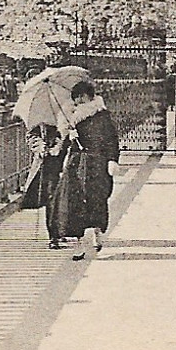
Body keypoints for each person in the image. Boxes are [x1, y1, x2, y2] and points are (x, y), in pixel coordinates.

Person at [55, 80, 121, 259]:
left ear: (85, 97)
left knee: (97, 200)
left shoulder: (101, 115)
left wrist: (112, 159)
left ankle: (98, 231)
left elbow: (111, 140)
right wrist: (69, 135)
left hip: (96, 164)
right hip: (77, 163)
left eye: (78, 98)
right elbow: (62, 142)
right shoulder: (71, 117)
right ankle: (79, 243)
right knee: (73, 202)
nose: (76, 102)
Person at [27, 122, 68, 248]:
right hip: (48, 163)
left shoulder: (70, 114)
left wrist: (62, 142)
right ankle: (53, 236)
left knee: (65, 197)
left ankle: (63, 230)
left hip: (67, 160)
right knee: (52, 197)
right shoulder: (40, 120)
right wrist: (39, 146)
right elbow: (31, 137)